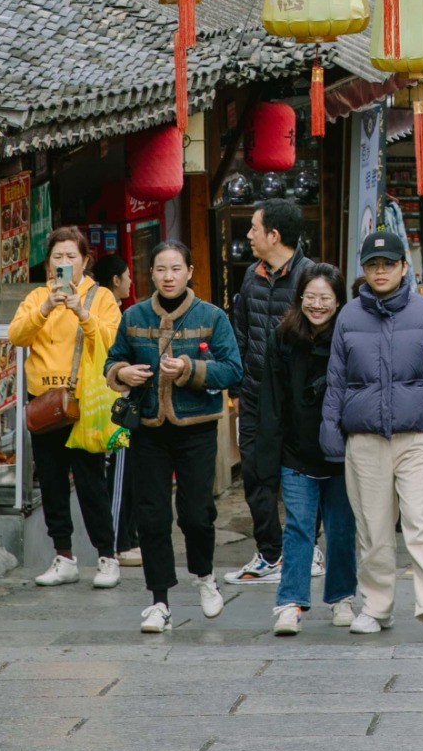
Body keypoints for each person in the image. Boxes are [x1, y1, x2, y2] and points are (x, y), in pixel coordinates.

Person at [321, 227, 423, 641]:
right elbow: (336, 383)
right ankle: (377, 606)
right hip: (364, 438)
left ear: (405, 267)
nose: (380, 271)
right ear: (363, 271)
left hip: (417, 437)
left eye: (388, 264)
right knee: (373, 528)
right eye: (372, 265)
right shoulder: (348, 316)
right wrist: (331, 433)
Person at [105, 241, 240, 632]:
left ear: (190, 272)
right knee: (151, 515)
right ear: (152, 274)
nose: (168, 276)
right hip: (147, 429)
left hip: (195, 428)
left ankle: (205, 575)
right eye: (161, 269)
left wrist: (188, 368)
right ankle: (159, 599)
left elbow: (233, 369)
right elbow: (113, 359)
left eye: (176, 269)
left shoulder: (212, 317)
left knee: (197, 514)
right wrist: (122, 374)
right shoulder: (133, 316)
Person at [6, 225, 124, 588]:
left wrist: (81, 313)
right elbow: (16, 335)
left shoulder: (99, 297)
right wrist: (45, 307)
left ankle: (107, 556)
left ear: (86, 261)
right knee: (53, 481)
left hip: (84, 401)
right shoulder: (38, 297)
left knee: (90, 480)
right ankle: (64, 556)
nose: (64, 262)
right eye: (58, 257)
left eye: (72, 256)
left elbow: (111, 339)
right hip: (44, 402)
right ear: (48, 265)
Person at [255, 261, 356, 634]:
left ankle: (343, 596)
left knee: (342, 527)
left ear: (339, 301)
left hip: (341, 452)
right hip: (296, 450)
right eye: (310, 297)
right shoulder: (284, 337)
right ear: (299, 299)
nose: (317, 305)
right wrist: (267, 457)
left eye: (325, 298)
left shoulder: (351, 336)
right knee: (298, 526)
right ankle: (289, 603)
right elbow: (272, 400)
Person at [226, 199, 306, 584]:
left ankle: (306, 549)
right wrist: (238, 387)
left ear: (274, 235)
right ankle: (269, 553)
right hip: (256, 394)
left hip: (296, 397)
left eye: (254, 228)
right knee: (256, 475)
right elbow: (239, 332)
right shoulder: (251, 276)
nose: (249, 235)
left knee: (300, 476)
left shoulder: (310, 278)